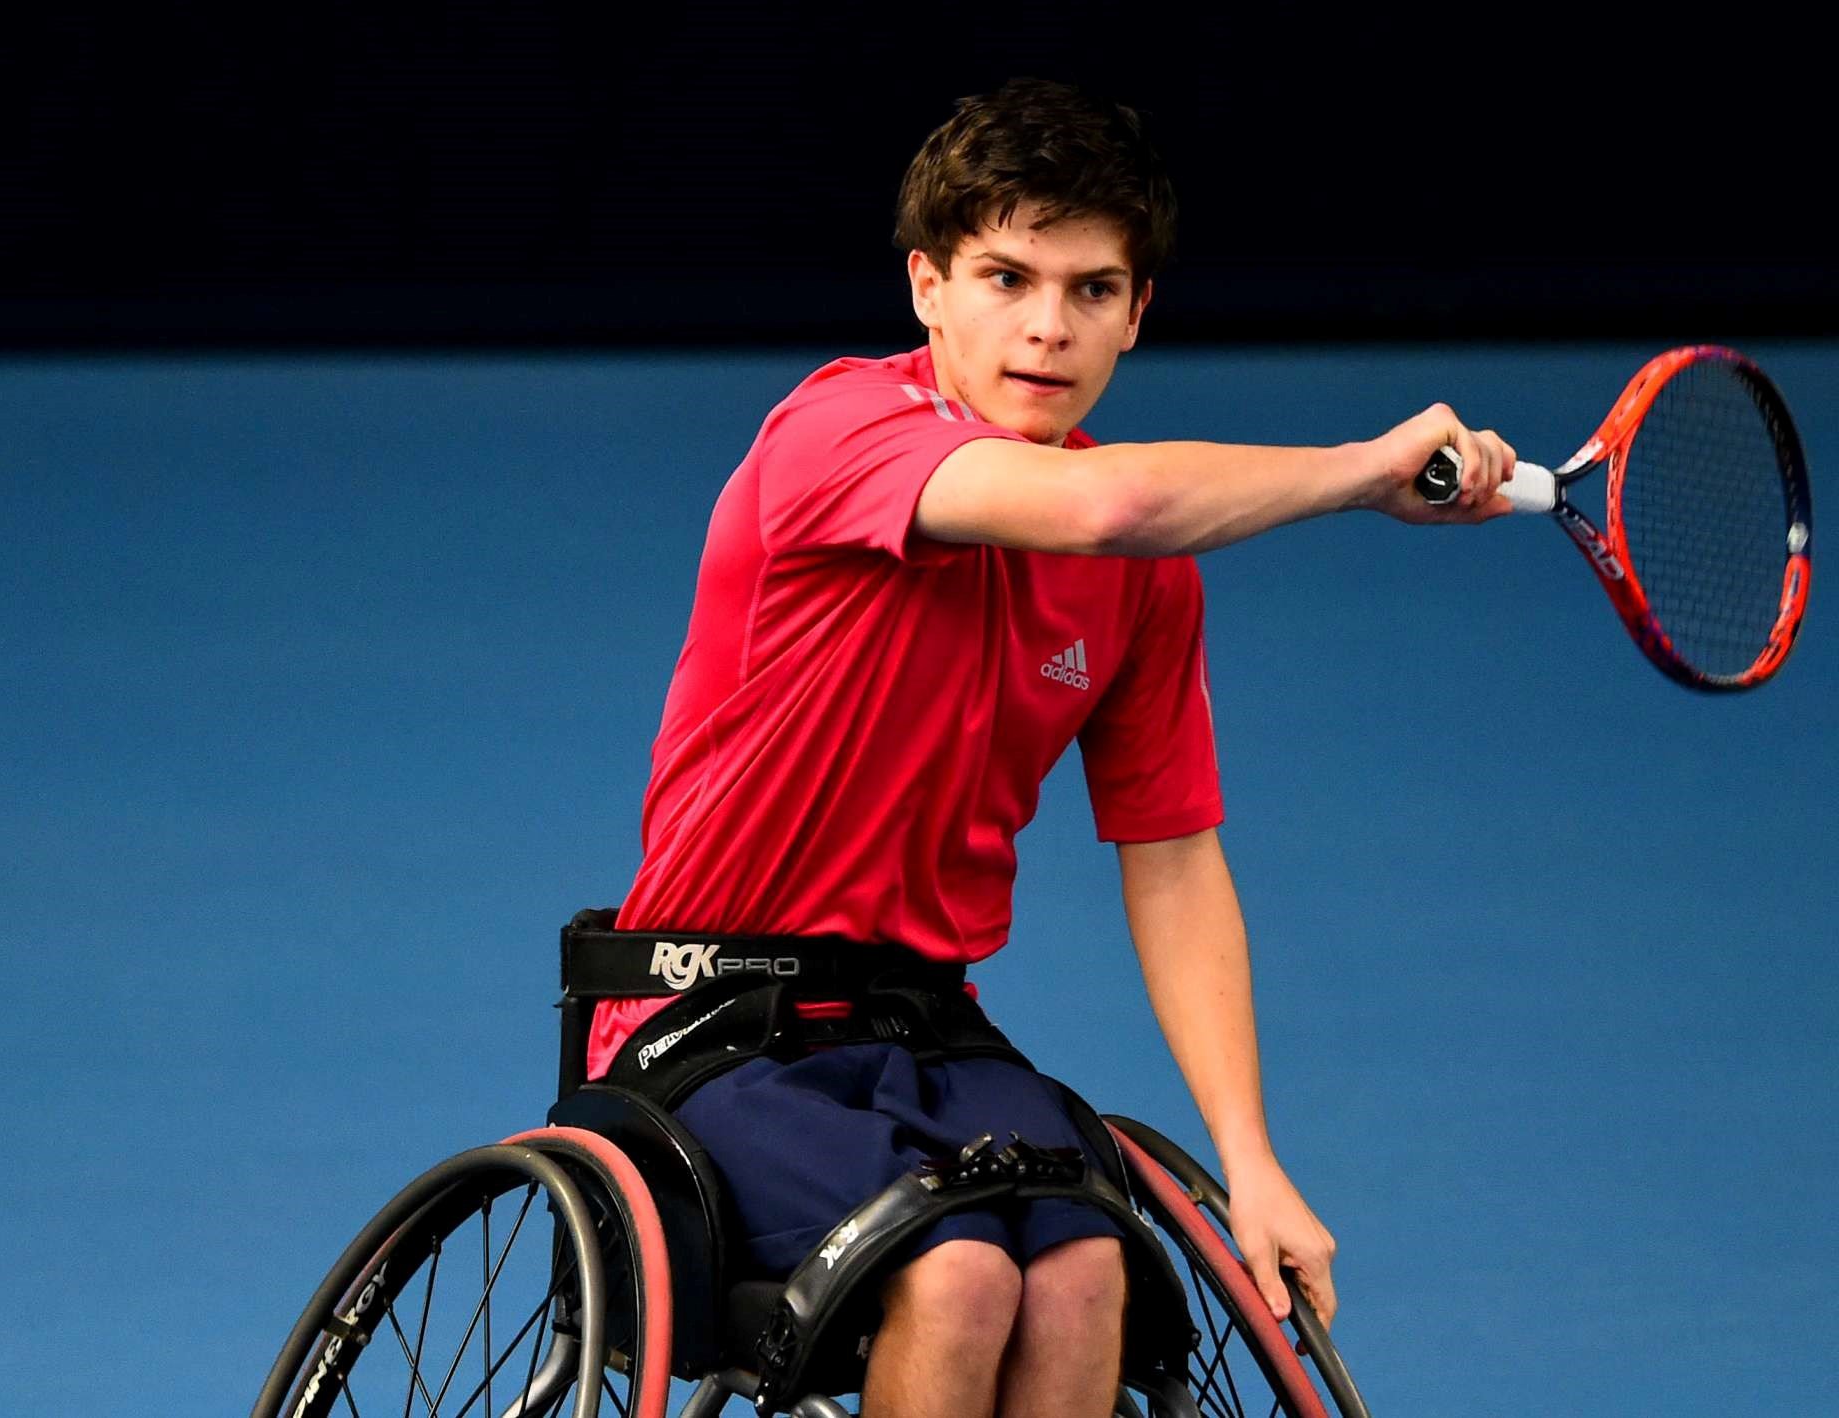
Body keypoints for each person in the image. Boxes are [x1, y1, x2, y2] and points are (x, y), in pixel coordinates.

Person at [584, 76, 1515, 1418]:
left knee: (1084, 1266)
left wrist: (1250, 1157)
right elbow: (1110, 501)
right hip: (706, 1024)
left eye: (1092, 289)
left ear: (1138, 313)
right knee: (956, 1273)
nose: (1045, 325)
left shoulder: (1146, 583)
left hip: (927, 1033)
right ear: (927, 287)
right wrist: (1366, 470)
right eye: (1006, 276)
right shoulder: (833, 436)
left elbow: (1176, 859)